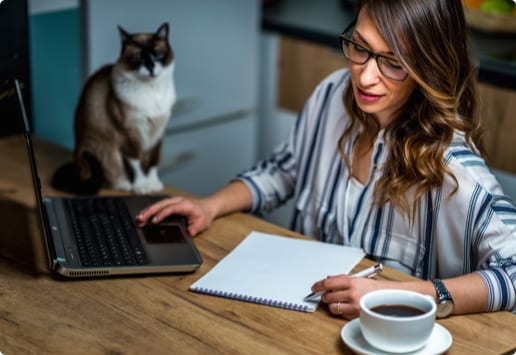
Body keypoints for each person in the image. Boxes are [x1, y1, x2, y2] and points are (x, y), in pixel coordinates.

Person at [136, 0, 516, 319]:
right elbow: (285, 170)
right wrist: (209, 205)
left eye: (394, 63)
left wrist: (408, 295)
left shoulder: (452, 168)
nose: (365, 77)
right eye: (360, 47)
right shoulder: (331, 95)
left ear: (428, 68)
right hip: (303, 321)